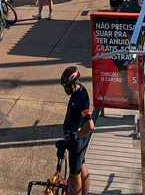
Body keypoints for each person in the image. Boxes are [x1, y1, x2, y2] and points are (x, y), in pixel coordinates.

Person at [60, 66, 94, 195]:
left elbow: (90, 126)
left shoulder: (80, 99)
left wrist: (78, 137)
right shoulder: (79, 91)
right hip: (76, 140)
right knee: (82, 167)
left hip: (76, 142)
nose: (66, 89)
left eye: (68, 86)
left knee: (75, 177)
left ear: (76, 83)